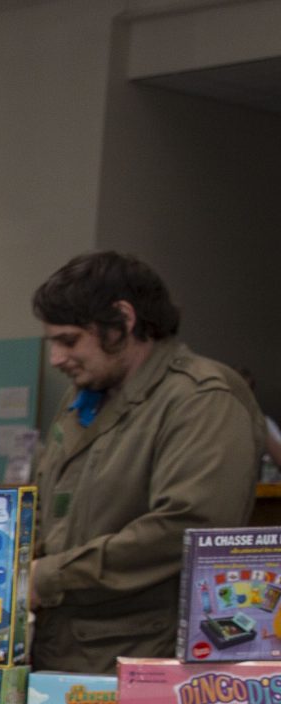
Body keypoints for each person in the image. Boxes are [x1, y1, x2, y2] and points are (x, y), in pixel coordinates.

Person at [27, 250, 261, 671]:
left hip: (141, 658)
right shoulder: (86, 397)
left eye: (69, 340)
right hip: (62, 651)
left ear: (123, 320)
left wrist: (47, 576)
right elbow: (51, 507)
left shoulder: (201, 398)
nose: (56, 359)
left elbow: (187, 526)